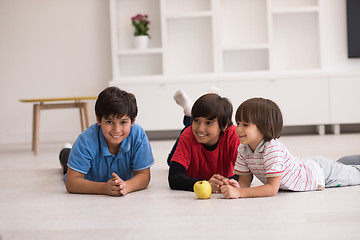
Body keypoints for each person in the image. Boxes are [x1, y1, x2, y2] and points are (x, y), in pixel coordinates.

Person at [220, 97, 360, 199]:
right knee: (343, 167)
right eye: (238, 123)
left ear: (264, 127)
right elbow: (244, 183)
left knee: (355, 174)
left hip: (318, 173)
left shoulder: (271, 149)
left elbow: (272, 189)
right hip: (304, 164)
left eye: (245, 125)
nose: (238, 129)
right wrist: (236, 187)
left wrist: (240, 193)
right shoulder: (243, 149)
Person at [59, 86, 154, 196]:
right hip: (88, 175)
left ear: (132, 121)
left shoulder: (138, 135)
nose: (116, 130)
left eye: (123, 122)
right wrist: (103, 188)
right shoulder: (86, 140)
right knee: (67, 159)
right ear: (99, 120)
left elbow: (144, 175)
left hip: (116, 178)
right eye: (109, 122)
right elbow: (72, 183)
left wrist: (126, 186)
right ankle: (66, 151)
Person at [168, 90, 241, 193]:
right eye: (196, 120)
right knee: (170, 160)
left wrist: (225, 183)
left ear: (224, 126)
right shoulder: (188, 135)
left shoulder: (233, 134)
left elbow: (246, 175)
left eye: (209, 123)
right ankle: (189, 113)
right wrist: (206, 184)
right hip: (189, 135)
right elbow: (174, 178)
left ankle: (192, 109)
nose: (201, 128)